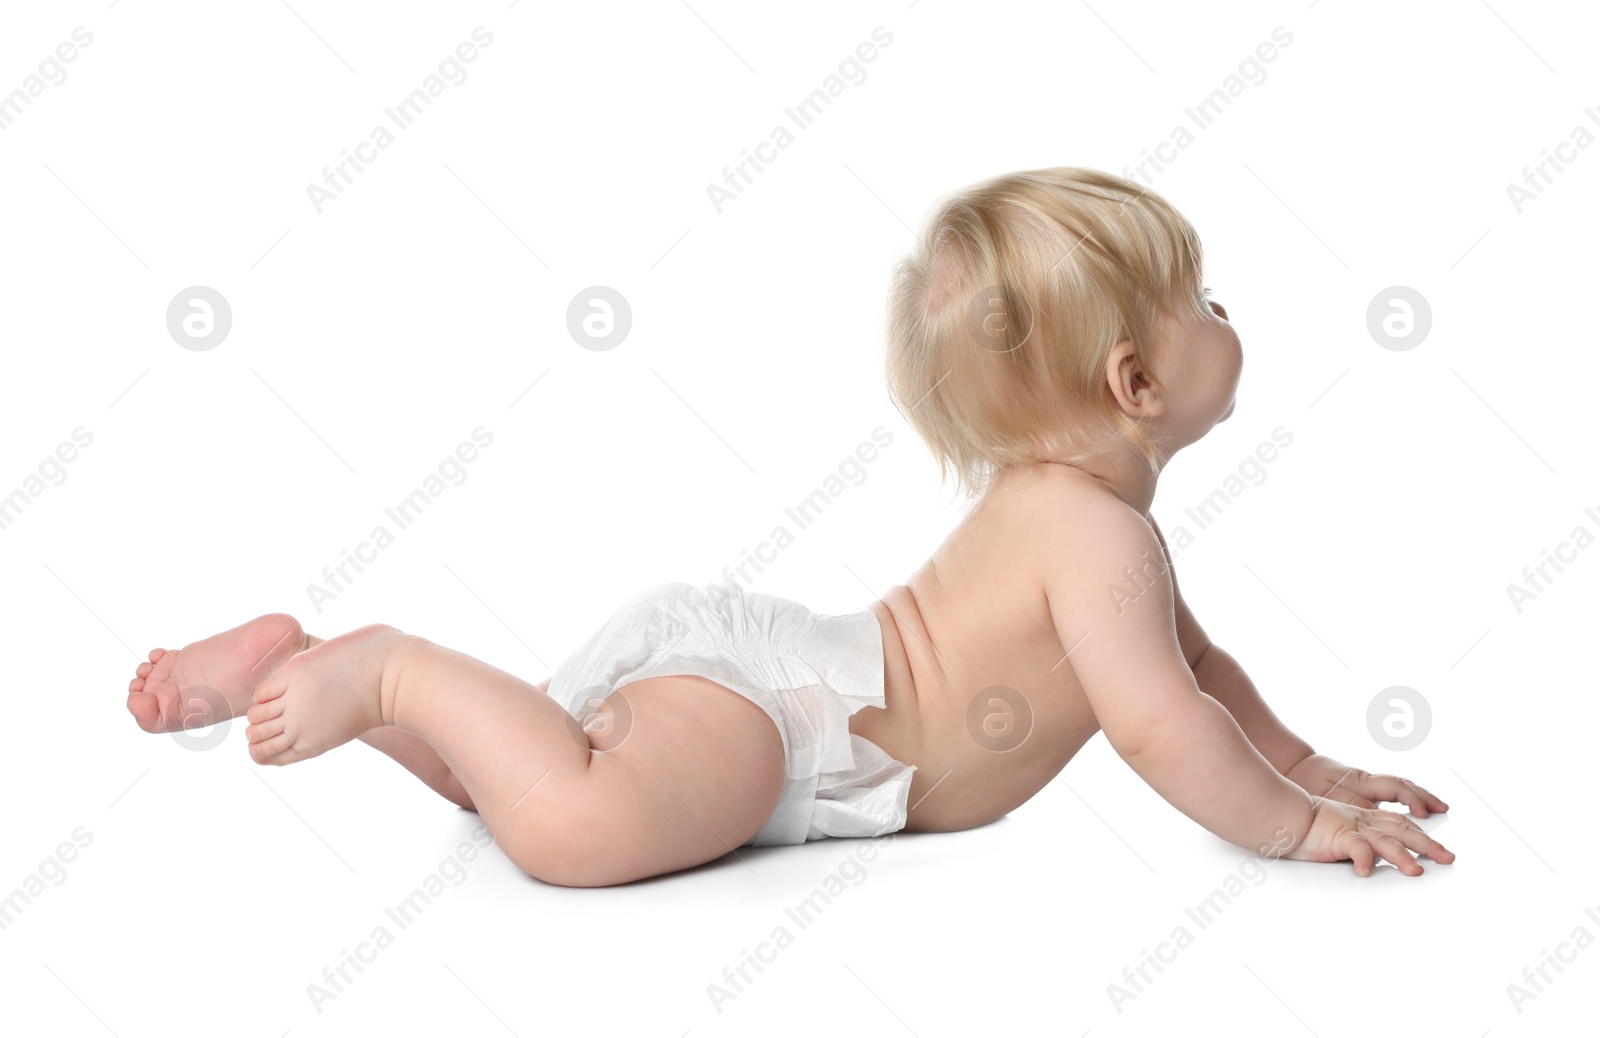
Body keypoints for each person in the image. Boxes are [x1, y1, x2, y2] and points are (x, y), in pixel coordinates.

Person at [125, 167, 1452, 887]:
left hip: (763, 673)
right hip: (782, 723)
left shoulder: (1080, 522)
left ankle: (310, 656)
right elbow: (1161, 722)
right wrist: (1288, 832)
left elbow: (1201, 679)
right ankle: (393, 668)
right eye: (1205, 296)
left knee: (505, 774)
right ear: (1137, 387)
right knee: (575, 832)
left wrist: (1312, 771)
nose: (1230, 311)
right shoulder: (1098, 540)